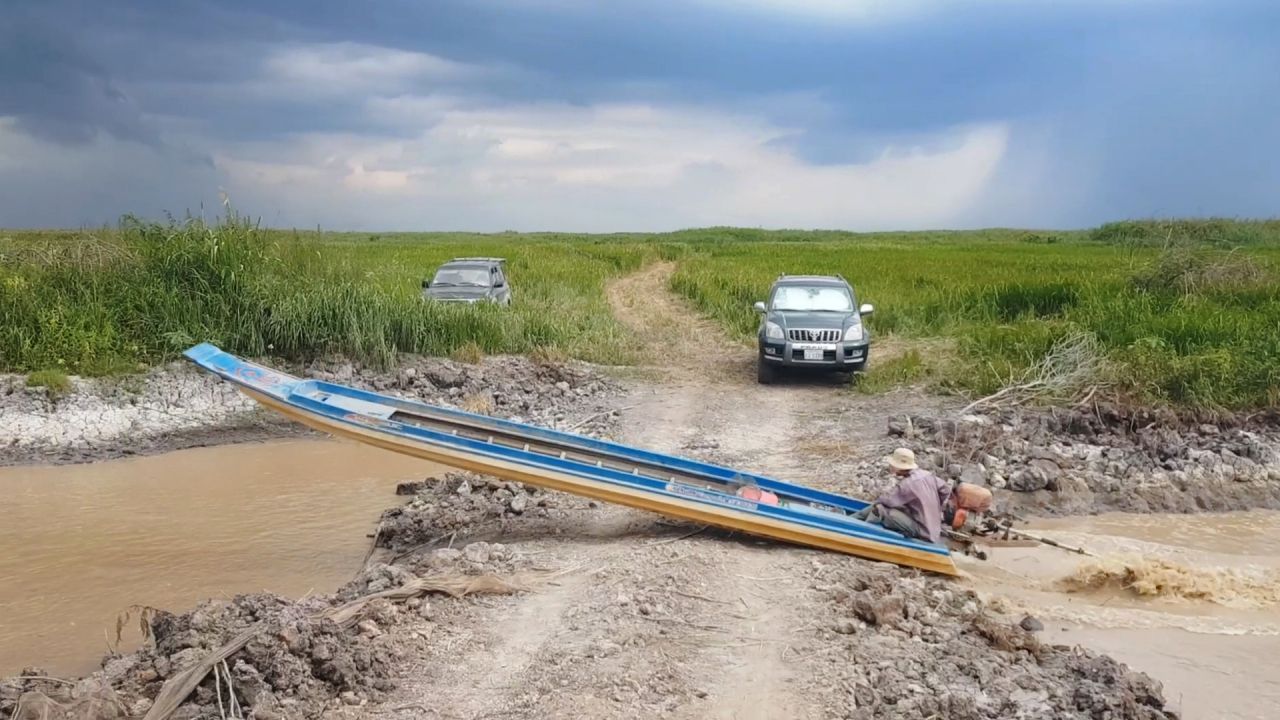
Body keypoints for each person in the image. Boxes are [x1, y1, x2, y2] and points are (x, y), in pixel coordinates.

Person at [853, 448, 951, 545]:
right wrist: (935, 508)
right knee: (884, 507)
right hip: (933, 527)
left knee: (880, 509)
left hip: (923, 531)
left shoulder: (907, 484)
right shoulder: (927, 475)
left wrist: (878, 499)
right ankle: (853, 519)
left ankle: (862, 534)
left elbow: (888, 501)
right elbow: (945, 490)